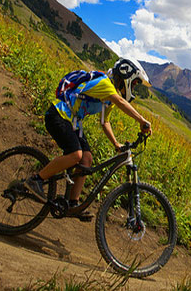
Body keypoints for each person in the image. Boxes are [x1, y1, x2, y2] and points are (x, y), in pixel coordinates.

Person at [24, 58, 152, 215]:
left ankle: (73, 204)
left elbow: (105, 122)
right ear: (126, 75)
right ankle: (36, 180)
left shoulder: (109, 97)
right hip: (59, 114)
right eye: (134, 84)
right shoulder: (105, 83)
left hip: (72, 122)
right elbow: (119, 101)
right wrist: (142, 120)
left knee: (86, 159)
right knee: (75, 154)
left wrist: (115, 144)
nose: (133, 88)